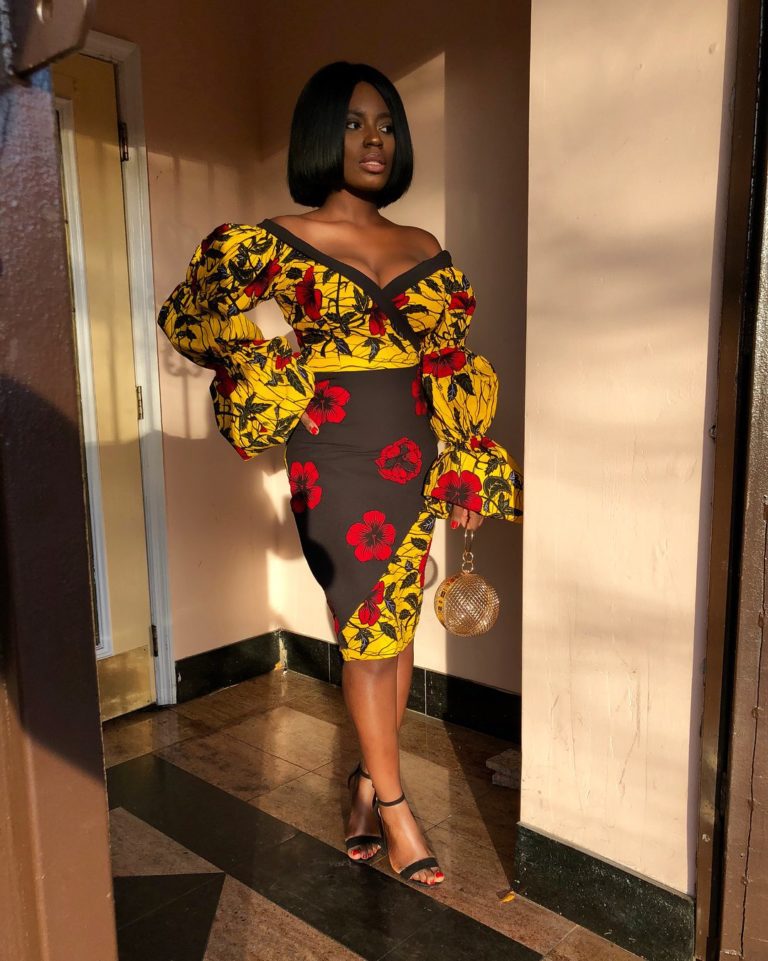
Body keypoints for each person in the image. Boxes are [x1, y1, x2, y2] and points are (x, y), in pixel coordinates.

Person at [157, 61, 522, 888]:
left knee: (398, 626)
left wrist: (466, 466)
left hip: (415, 456)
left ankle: (363, 784)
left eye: (386, 124)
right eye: (355, 123)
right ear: (322, 133)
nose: (374, 139)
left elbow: (448, 361)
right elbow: (192, 315)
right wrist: (272, 370)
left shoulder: (423, 246)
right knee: (367, 629)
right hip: (334, 459)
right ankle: (396, 806)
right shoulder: (275, 239)